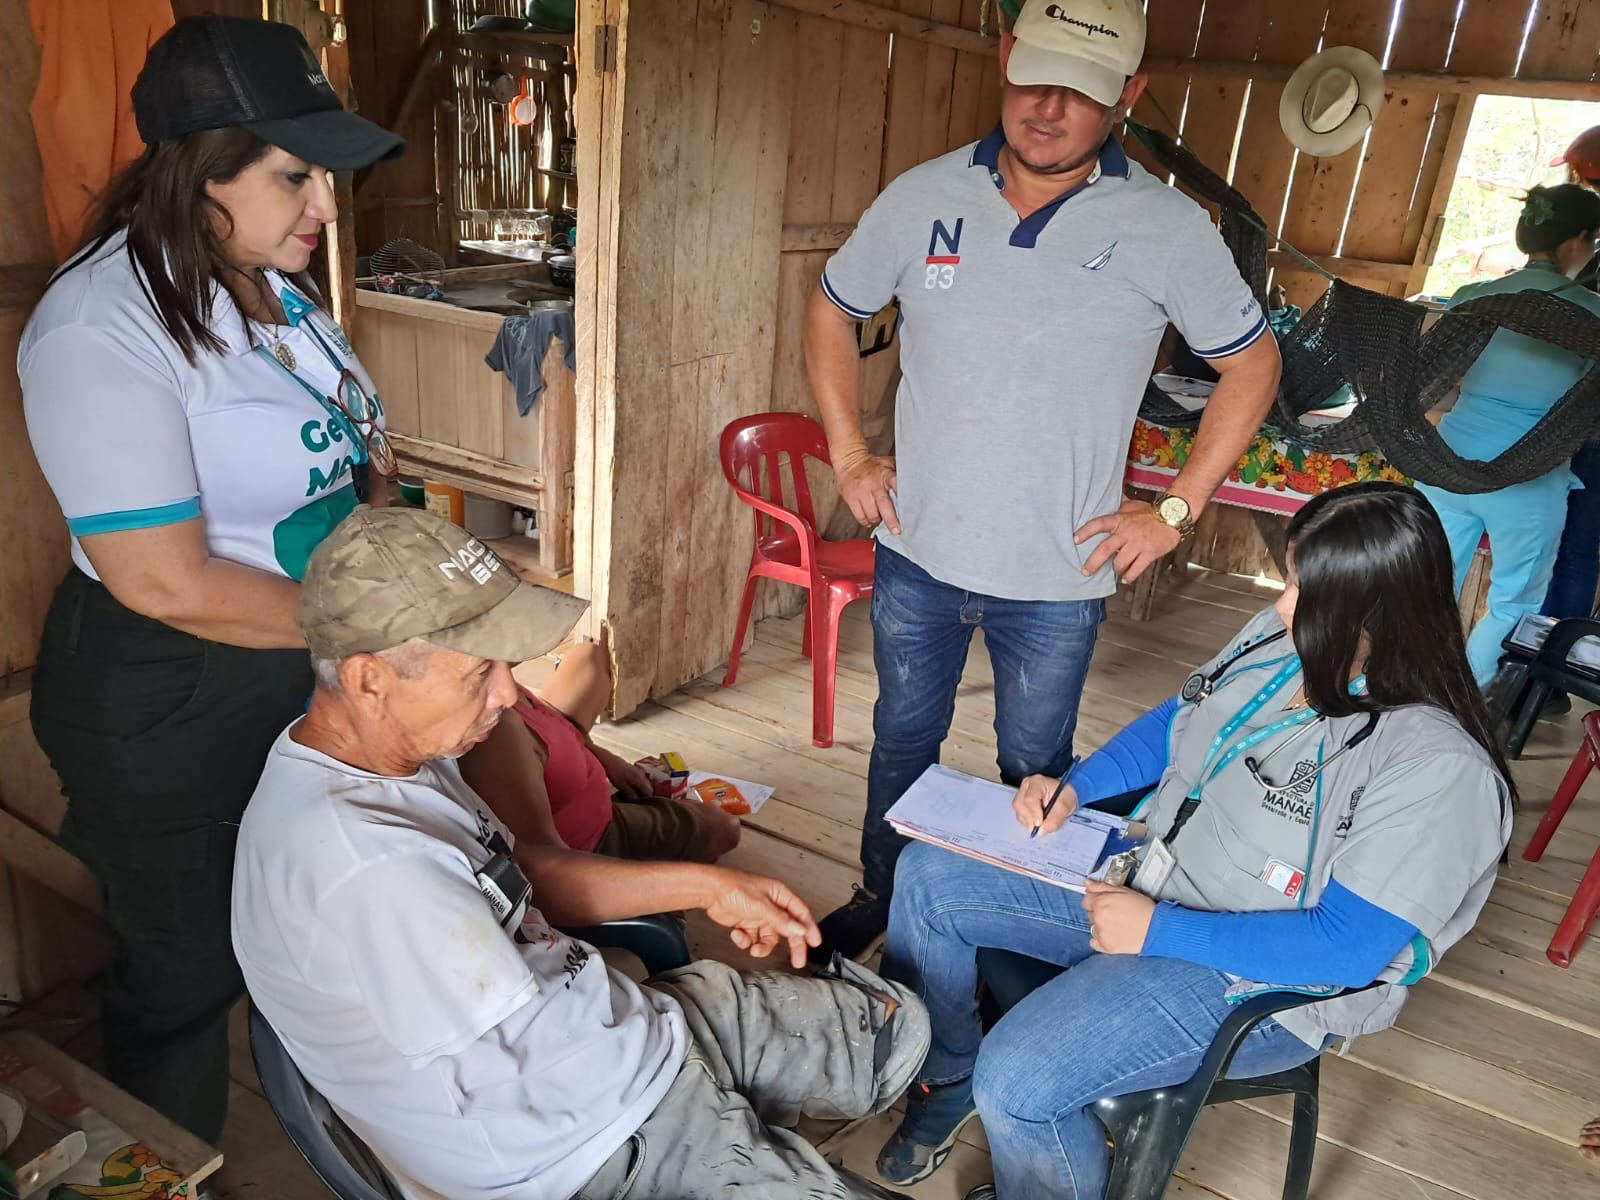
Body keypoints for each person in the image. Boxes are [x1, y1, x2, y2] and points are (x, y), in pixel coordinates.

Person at [232, 507, 932, 1200]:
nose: (508, 693)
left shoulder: (391, 760)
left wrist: (709, 887)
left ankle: (781, 1132)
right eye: (479, 673)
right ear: (368, 681)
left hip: (621, 1039)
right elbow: (525, 1078)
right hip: (590, 1145)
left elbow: (524, 874)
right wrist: (727, 1130)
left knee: (896, 1030)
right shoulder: (372, 871)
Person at [803, 0, 1281, 960]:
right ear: (1008, 57)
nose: (1049, 108)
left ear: (1128, 96)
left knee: (1035, 767)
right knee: (903, 741)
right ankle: (883, 896)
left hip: (1059, 577)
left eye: (1082, 91)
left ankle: (1008, 933)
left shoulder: (1167, 227)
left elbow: (1253, 364)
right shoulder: (922, 196)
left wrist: (1176, 510)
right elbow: (831, 308)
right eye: (1036, 78)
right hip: (917, 552)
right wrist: (850, 453)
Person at [873, 482, 1513, 1199]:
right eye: (1290, 582)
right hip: (1149, 876)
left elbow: (1347, 949)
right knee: (928, 878)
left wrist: (1158, 931)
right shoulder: (1281, 637)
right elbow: (1179, 718)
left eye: (1306, 594)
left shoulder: (1436, 767)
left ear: (1378, 616)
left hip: (1257, 974)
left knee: (1020, 1080)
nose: (1282, 607)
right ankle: (948, 1076)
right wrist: (1077, 787)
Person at [18, 16, 403, 1141]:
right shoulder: (100, 326)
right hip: (168, 689)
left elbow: (349, 446)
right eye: (294, 176)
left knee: (315, 903)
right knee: (183, 975)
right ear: (201, 171)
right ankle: (168, 1164)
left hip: (296, 646)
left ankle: (347, 1127)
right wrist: (379, 630)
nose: (325, 206)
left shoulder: (269, 287)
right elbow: (167, 582)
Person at [1415, 184, 1600, 689]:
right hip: (1528, 479)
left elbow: (1438, 388)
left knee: (1426, 585)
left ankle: (1410, 685)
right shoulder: (1592, 315)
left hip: (1449, 463)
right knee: (1513, 600)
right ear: (1578, 241)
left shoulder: (1473, 297)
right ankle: (1468, 696)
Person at [459, 640, 742, 862]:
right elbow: (548, 863)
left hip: (578, 782)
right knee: (724, 828)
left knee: (587, 656)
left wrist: (606, 759)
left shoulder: (502, 686)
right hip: (592, 839)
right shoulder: (499, 731)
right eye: (486, 668)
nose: (508, 688)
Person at [1535, 129, 1600, 715]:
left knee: (1567, 549)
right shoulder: (1587, 251)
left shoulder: (1587, 253)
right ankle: (1544, 680)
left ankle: (1540, 676)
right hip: (1578, 423)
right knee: (1573, 549)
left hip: (1582, 425)